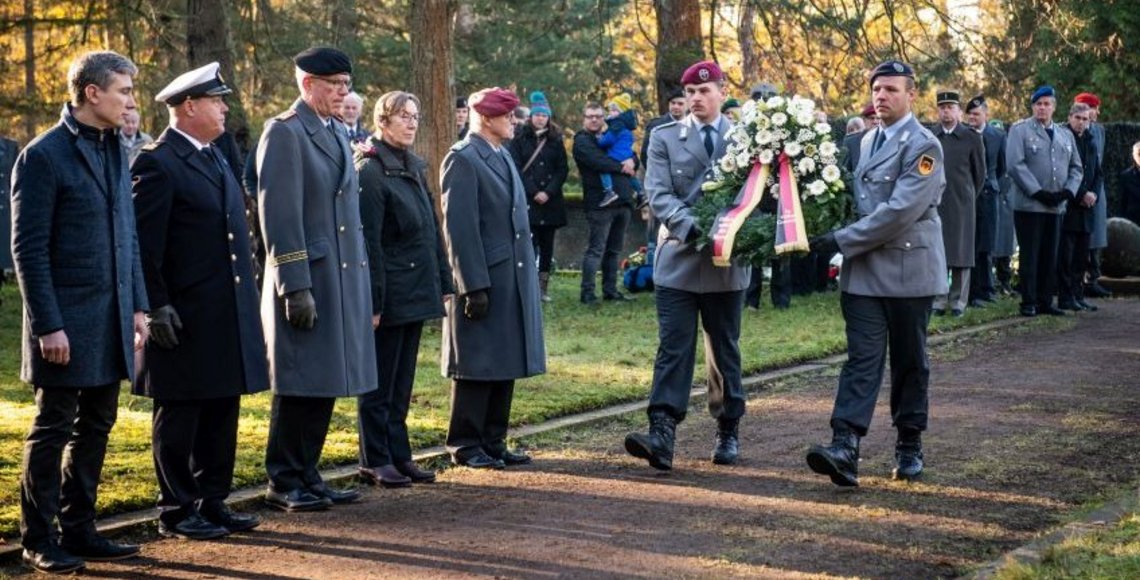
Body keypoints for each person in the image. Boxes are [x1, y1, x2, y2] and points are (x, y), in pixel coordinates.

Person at [12, 50, 149, 574]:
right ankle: (37, 537)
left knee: (98, 424)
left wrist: (137, 304)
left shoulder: (115, 145)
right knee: (53, 427)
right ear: (92, 93)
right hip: (63, 323)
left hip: (112, 314)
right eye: (124, 92)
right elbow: (28, 249)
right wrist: (47, 323)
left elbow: (127, 235)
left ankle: (81, 528)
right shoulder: (43, 156)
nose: (130, 102)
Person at [131, 62, 269, 540]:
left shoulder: (213, 156)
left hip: (223, 310)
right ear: (189, 106)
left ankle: (214, 500)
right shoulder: (157, 161)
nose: (225, 108)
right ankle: (177, 507)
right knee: (181, 413)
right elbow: (145, 247)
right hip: (183, 312)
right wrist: (154, 305)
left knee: (221, 408)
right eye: (217, 101)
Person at [805, 60, 948, 486]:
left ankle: (909, 444)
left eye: (889, 89)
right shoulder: (866, 142)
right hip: (865, 272)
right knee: (861, 361)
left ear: (910, 94)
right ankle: (845, 446)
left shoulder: (925, 146)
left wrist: (840, 240)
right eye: (876, 90)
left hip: (908, 270)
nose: (880, 96)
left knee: (909, 362)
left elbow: (900, 211)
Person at [255, 46, 377, 512]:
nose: (343, 93)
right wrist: (295, 283)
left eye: (346, 85)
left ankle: (308, 472)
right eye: (334, 86)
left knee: (324, 377)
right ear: (308, 85)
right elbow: (280, 215)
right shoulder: (285, 132)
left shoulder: (330, 130)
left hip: (339, 276)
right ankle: (284, 478)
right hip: (310, 275)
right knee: (301, 376)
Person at [624, 60, 749, 470]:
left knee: (723, 350)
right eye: (690, 93)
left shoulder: (747, 139)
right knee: (674, 347)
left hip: (727, 263)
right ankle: (662, 431)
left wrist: (730, 235)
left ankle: (727, 427)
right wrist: (697, 229)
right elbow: (658, 193)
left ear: (720, 92)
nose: (696, 98)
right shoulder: (663, 138)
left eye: (704, 91)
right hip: (679, 257)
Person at [440, 87, 546, 469]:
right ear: (486, 118)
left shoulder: (499, 154)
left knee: (504, 359)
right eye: (508, 116)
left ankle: (493, 439)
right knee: (477, 361)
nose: (515, 121)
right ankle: (466, 443)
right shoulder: (464, 159)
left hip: (511, 273)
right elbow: (460, 229)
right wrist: (472, 285)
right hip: (485, 276)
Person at [355, 91, 454, 487]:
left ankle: (399, 454)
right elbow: (371, 244)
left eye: (415, 116)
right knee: (379, 382)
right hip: (390, 291)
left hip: (415, 287)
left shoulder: (412, 165)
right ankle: (374, 459)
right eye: (403, 117)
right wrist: (374, 303)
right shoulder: (370, 170)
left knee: (402, 381)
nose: (412, 123)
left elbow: (432, 230)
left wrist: (443, 282)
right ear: (383, 121)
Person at [1005, 85, 1083, 317]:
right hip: (1030, 205)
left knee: (1051, 255)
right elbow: (1015, 165)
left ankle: (1046, 301)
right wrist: (1038, 192)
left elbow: (1076, 167)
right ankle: (1028, 301)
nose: (1042, 108)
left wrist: (1068, 192)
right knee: (1031, 254)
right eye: (1038, 104)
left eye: (1047, 104)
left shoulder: (1064, 134)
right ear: (1033, 106)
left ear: (1054, 107)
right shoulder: (1020, 131)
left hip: (1056, 206)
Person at [572, 102, 637, 304]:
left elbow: (631, 153)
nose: (594, 119)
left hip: (623, 201)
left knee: (614, 250)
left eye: (598, 116)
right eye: (590, 116)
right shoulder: (582, 141)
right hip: (600, 204)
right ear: (584, 118)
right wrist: (623, 166)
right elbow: (598, 161)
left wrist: (634, 161)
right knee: (596, 250)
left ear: (604, 118)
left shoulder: (612, 135)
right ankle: (588, 292)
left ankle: (610, 290)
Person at [508, 91, 569, 303]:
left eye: (544, 115)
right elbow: (516, 167)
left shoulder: (555, 140)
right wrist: (534, 191)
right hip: (528, 200)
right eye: (537, 115)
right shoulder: (519, 138)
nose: (541, 118)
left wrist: (548, 191)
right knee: (527, 244)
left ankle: (543, 287)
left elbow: (562, 169)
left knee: (547, 245)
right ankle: (527, 285)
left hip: (550, 202)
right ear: (531, 116)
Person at [931, 90, 985, 317]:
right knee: (938, 252)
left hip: (963, 203)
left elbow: (979, 175)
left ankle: (958, 302)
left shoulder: (972, 138)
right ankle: (939, 300)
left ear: (959, 111)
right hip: (936, 203)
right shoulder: (930, 137)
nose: (946, 111)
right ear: (938, 111)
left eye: (951, 107)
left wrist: (968, 194)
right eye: (942, 108)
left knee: (962, 253)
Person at [1057, 103, 1101, 312]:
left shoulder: (1091, 141)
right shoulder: (1063, 138)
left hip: (1088, 208)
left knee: (1082, 256)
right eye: (1078, 118)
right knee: (1066, 255)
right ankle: (1066, 297)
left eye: (1085, 119)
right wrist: (1082, 194)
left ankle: (1078, 294)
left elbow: (1097, 172)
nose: (1082, 123)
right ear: (1070, 117)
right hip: (1070, 206)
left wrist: (1093, 195)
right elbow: (1066, 171)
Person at [965, 94, 1007, 304]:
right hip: (968, 195)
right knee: (970, 243)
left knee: (987, 243)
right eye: (970, 114)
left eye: (976, 114)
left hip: (989, 194)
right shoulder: (963, 134)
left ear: (986, 115)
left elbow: (1002, 167)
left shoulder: (998, 136)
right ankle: (972, 292)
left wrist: (992, 184)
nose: (972, 117)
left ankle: (987, 289)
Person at [1074, 92, 1112, 298]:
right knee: (1080, 236)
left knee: (1095, 235)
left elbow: (1098, 162)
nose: (1097, 112)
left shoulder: (1099, 131)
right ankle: (1080, 279)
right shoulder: (1071, 130)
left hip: (1097, 190)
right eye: (1095, 108)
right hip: (1079, 190)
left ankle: (1092, 277)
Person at [596, 92, 642, 208]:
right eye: (610, 110)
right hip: (626, 155)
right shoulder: (626, 126)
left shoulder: (616, 125)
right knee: (629, 174)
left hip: (616, 155)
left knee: (603, 169)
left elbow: (607, 141)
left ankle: (609, 191)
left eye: (614, 110)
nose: (611, 112)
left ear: (621, 112)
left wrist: (599, 139)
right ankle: (641, 192)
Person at [1119, 142, 1140, 226]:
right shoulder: (1126, 176)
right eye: (1139, 154)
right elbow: (1122, 203)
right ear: (1134, 156)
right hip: (1132, 222)